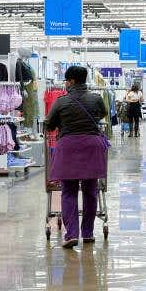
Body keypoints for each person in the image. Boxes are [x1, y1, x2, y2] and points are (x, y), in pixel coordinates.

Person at [45, 66, 109, 249]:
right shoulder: (96, 98)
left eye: (66, 81)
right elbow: (102, 114)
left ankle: (72, 234)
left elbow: (49, 124)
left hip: (68, 147)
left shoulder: (61, 101)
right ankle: (88, 233)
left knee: (69, 191)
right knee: (91, 190)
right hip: (92, 146)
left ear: (71, 81)